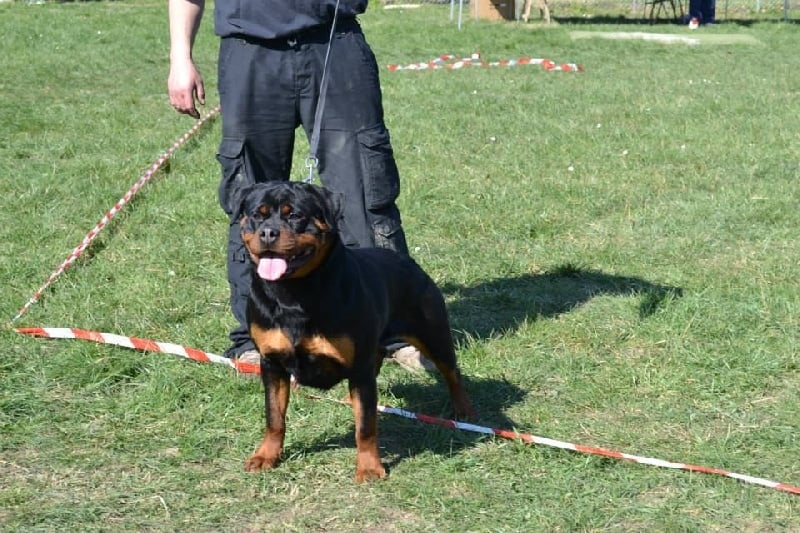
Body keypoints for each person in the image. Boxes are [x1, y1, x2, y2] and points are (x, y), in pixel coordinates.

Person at [167, 0, 426, 368]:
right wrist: (181, 57)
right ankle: (254, 337)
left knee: (365, 194)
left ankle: (393, 330)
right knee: (251, 203)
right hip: (249, 49)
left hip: (334, 40)